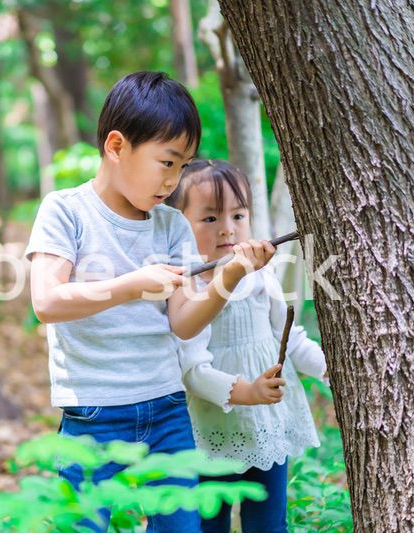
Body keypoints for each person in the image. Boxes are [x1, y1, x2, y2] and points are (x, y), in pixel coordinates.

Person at [24, 72, 276, 532]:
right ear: (116, 146)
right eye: (167, 162)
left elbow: (183, 322)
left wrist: (232, 273)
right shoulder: (65, 211)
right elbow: (47, 301)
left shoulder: (170, 226)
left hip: (166, 410)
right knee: (83, 524)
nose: (174, 180)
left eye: (183, 166)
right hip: (93, 414)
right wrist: (130, 285)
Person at [167, 159, 328, 533]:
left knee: (268, 524)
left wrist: (326, 368)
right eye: (209, 219)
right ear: (180, 225)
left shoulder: (261, 278)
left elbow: (287, 338)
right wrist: (248, 391)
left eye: (238, 216)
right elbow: (194, 371)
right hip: (213, 428)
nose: (227, 229)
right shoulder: (189, 289)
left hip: (266, 423)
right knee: (210, 523)